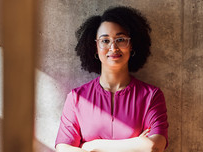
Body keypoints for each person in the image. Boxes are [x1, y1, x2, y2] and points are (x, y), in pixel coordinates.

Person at [55, 6, 168, 152]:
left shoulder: (151, 96)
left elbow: (154, 146)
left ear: (132, 45)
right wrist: (137, 144)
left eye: (120, 39)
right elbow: (63, 149)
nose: (113, 47)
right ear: (95, 46)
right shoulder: (76, 98)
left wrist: (92, 147)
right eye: (105, 40)